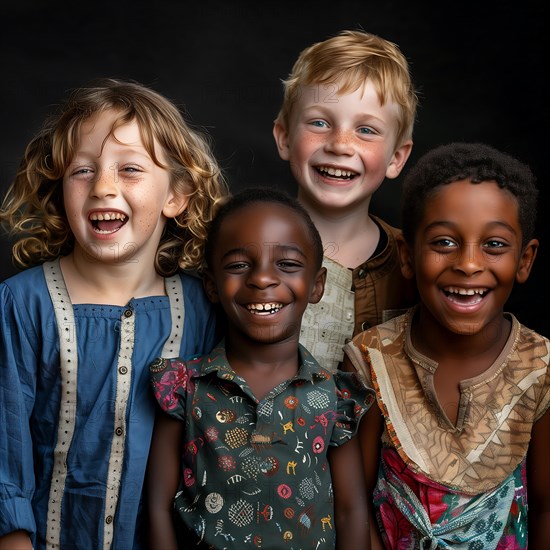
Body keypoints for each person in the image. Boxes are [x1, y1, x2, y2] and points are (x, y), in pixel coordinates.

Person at [0, 78, 229, 550]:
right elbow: (5, 448)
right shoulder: (23, 303)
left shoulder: (205, 310)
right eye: (82, 171)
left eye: (129, 169)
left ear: (177, 195)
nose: (103, 187)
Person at [343, 142, 550, 548]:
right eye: (443, 243)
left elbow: (546, 509)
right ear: (407, 255)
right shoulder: (371, 359)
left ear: (524, 260)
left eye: (494, 244)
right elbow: (353, 505)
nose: (469, 264)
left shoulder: (540, 366)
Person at [147, 187, 375, 549]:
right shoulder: (185, 387)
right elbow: (158, 508)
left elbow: (350, 512)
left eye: (287, 264)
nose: (263, 279)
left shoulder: (335, 396)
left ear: (316, 286)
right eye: (239, 265)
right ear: (211, 284)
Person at [273, 29, 419, 371]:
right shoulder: (239, 247)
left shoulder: (416, 263)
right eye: (320, 122)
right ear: (284, 138)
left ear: (396, 157)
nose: (340, 144)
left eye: (366, 130)